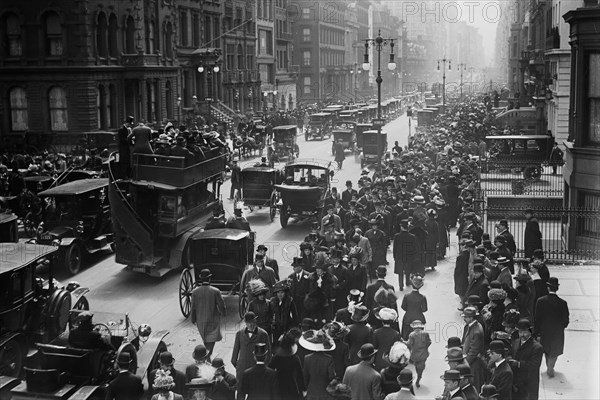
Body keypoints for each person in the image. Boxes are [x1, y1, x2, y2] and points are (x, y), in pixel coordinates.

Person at [534, 277, 569, 378]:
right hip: (557, 332)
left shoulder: (540, 301)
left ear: (548, 287)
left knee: (546, 350)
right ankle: (551, 367)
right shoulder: (563, 303)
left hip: (544, 331)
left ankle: (549, 366)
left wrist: (537, 333)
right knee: (554, 351)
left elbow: (537, 319)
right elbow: (566, 321)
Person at [231, 312, 271, 391]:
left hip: (256, 370)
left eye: (252, 322)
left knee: (255, 393)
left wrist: (262, 368)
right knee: (240, 392)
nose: (250, 324)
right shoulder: (239, 334)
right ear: (245, 323)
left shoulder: (263, 334)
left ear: (255, 321)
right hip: (242, 370)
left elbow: (268, 354)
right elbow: (234, 354)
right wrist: (238, 366)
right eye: (248, 322)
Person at [191, 269, 226, 357]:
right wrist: (223, 314)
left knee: (206, 341)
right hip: (212, 321)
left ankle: (206, 358)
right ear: (210, 279)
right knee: (209, 347)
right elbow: (221, 305)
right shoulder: (215, 291)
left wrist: (193, 319)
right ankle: (206, 360)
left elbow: (193, 308)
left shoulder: (195, 292)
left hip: (200, 322)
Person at [510, 319, 543, 400]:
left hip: (528, 384)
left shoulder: (537, 347)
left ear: (530, 331)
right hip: (516, 382)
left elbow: (534, 365)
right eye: (520, 332)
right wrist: (509, 359)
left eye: (524, 332)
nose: (522, 335)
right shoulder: (515, 342)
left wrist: (518, 364)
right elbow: (509, 354)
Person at [269, 330, 305, 400]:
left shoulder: (276, 358)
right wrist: (303, 388)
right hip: (292, 386)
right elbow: (300, 375)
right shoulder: (295, 358)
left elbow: (269, 370)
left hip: (279, 386)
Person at [301, 329, 336, 400]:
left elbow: (305, 377)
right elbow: (331, 376)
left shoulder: (307, 358)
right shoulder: (329, 359)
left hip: (311, 391)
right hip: (325, 392)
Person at [461, 306, 486, 392]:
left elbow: (473, 351)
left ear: (471, 317)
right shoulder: (472, 326)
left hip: (474, 363)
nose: (464, 319)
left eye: (466, 317)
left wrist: (465, 363)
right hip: (471, 361)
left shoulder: (476, 331)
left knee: (474, 385)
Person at [372, 308, 401, 372]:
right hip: (390, 361)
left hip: (378, 360)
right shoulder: (396, 333)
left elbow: (374, 346)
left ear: (381, 321)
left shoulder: (376, 332)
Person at [400, 275, 427, 340]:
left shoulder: (406, 296)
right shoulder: (422, 297)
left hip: (408, 319)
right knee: (418, 339)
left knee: (406, 338)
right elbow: (424, 309)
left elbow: (403, 307)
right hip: (419, 320)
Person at [393, 220, 417, 291]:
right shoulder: (412, 236)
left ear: (401, 227)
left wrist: (394, 256)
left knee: (400, 272)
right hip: (409, 256)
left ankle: (401, 285)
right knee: (408, 270)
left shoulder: (397, 236)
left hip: (399, 256)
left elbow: (395, 247)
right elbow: (414, 248)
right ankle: (407, 282)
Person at [406, 320, 431, 388]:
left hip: (415, 354)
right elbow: (429, 342)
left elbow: (409, 344)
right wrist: (425, 348)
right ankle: (419, 378)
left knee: (416, 366)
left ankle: (418, 376)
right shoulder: (426, 334)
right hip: (423, 354)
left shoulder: (412, 335)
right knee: (421, 367)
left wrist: (404, 342)